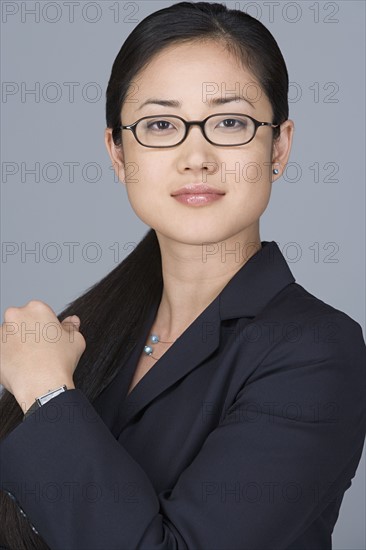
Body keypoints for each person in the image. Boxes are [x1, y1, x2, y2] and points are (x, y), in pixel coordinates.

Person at [0, 2, 365, 549]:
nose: (196, 156)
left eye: (230, 122)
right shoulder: (91, 333)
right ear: (118, 154)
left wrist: (47, 393)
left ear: (280, 147)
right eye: (161, 125)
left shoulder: (317, 348)